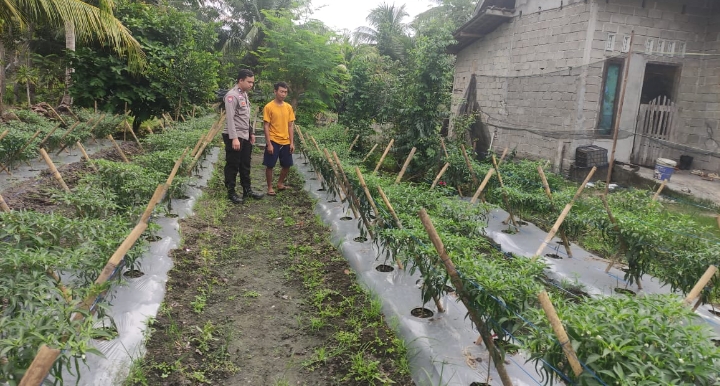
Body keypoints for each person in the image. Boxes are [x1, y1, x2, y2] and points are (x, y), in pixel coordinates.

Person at [222, 69, 264, 204]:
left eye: (253, 82)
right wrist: (234, 138)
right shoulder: (232, 96)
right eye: (249, 82)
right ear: (240, 80)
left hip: (245, 135)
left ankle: (247, 190)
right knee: (233, 164)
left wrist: (251, 133)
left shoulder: (244, 94)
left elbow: (246, 117)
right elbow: (230, 118)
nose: (251, 84)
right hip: (234, 135)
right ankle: (231, 192)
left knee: (245, 164)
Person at [262, 82, 296, 196]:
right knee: (270, 165)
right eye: (281, 91)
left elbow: (290, 125)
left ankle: (280, 183)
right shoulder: (269, 107)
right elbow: (266, 125)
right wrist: (269, 144)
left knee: (287, 165)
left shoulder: (288, 107)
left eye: (285, 92)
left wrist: (292, 142)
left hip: (286, 141)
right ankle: (270, 187)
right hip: (273, 140)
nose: (283, 94)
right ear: (275, 91)